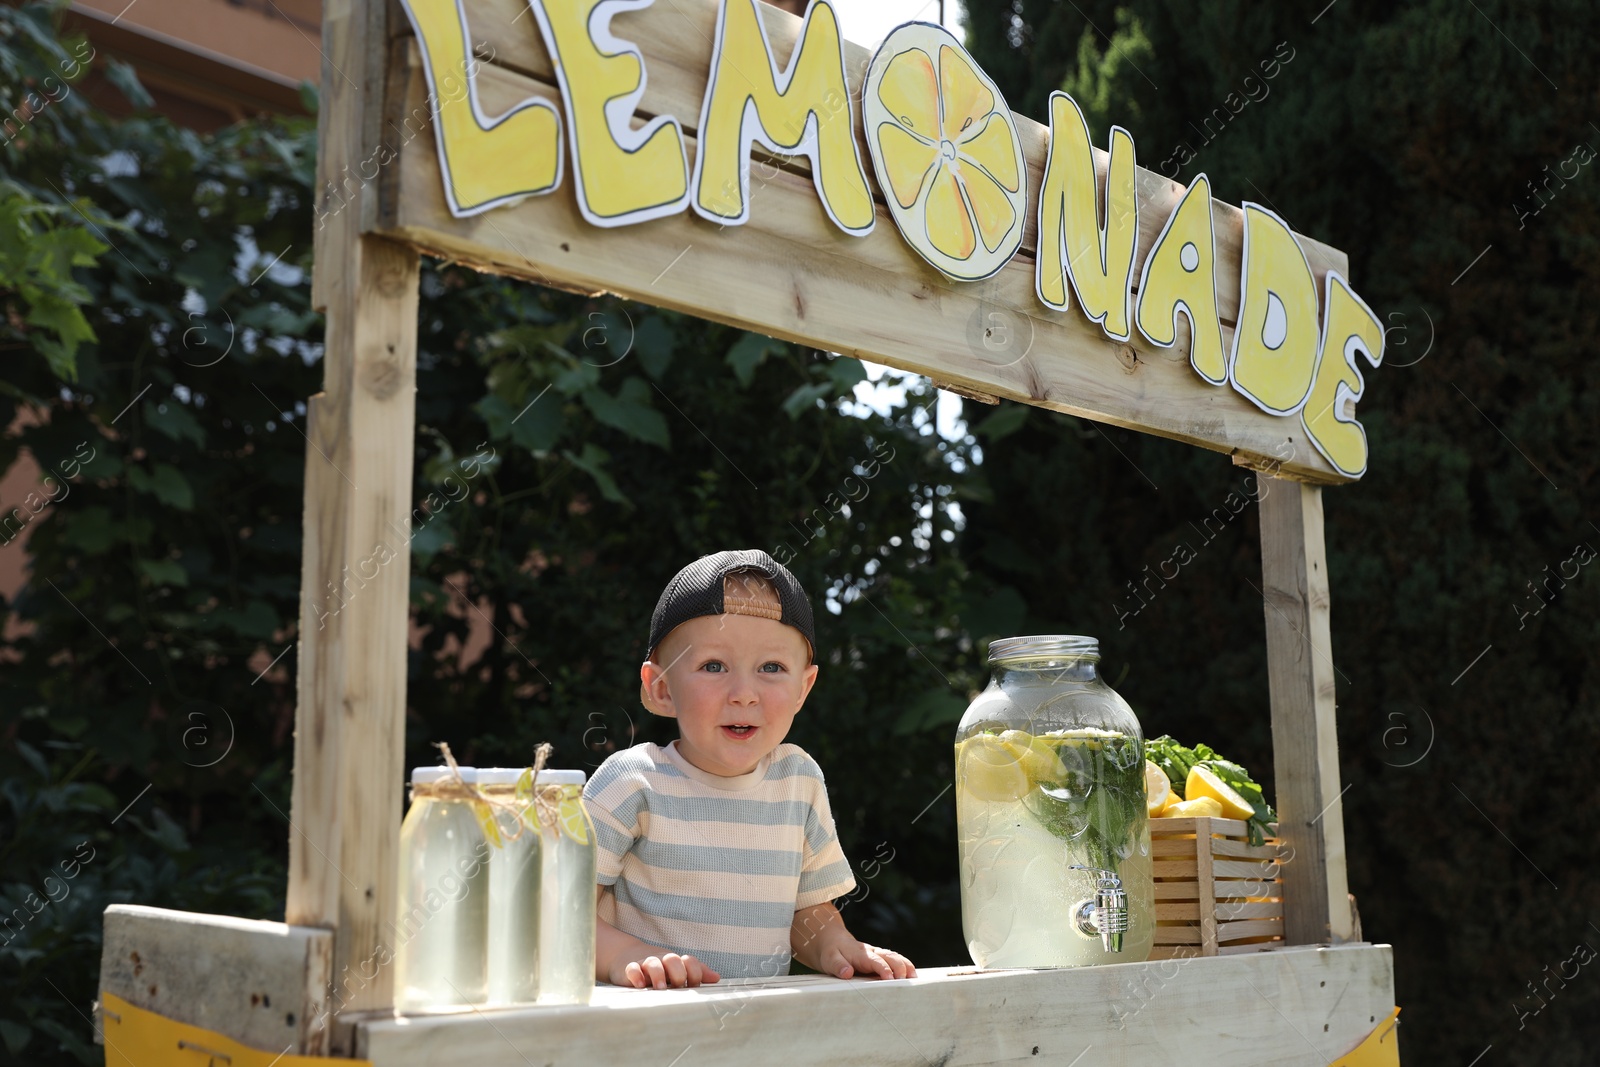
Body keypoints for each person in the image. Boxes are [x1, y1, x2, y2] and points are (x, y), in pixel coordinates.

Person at [584, 549, 917, 990]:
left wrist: (835, 942)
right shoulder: (632, 782)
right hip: (644, 1027)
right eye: (714, 666)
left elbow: (806, 911)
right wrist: (624, 956)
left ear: (804, 688)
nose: (744, 693)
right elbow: (557, 910)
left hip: (759, 1034)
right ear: (661, 688)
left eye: (771, 668)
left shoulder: (798, 781)